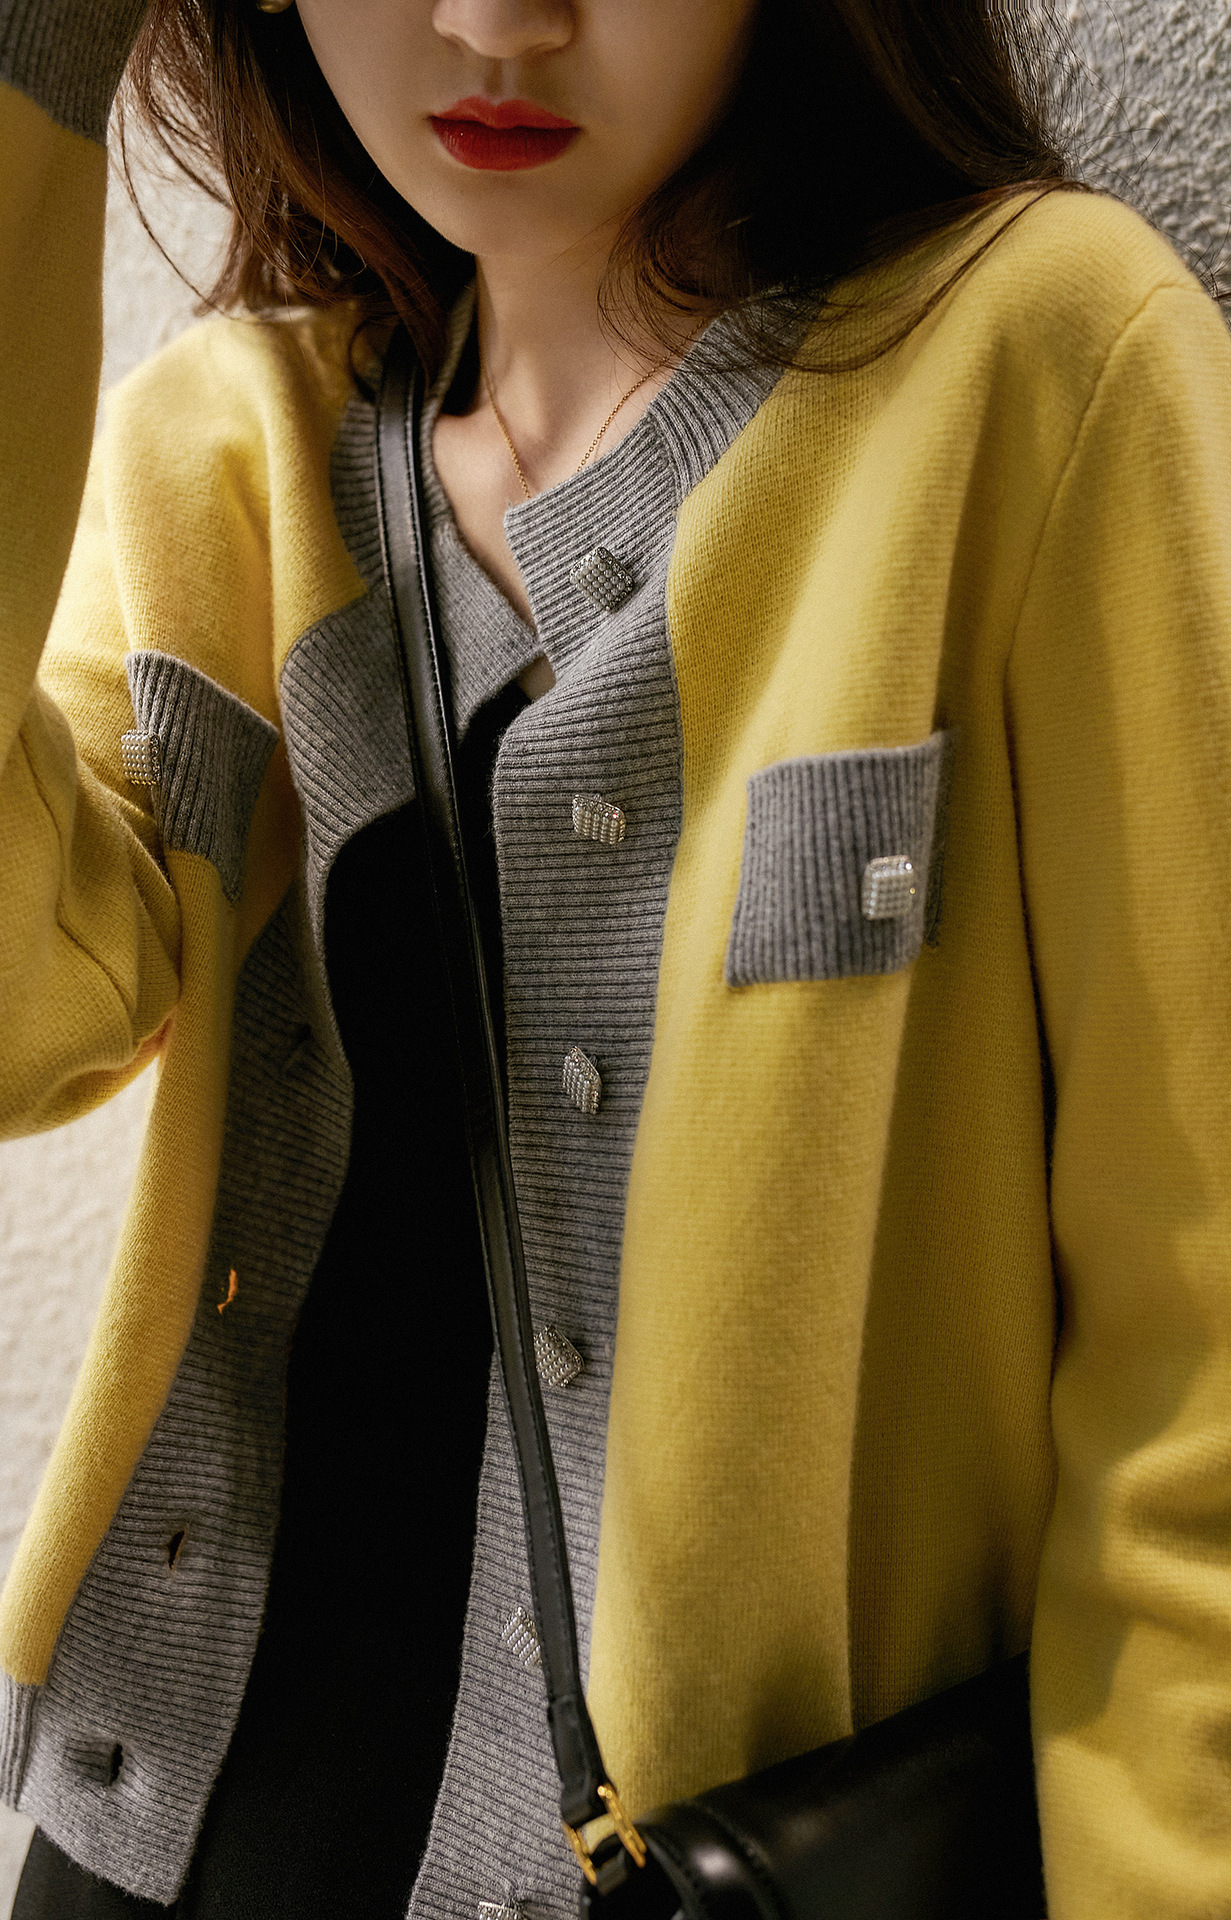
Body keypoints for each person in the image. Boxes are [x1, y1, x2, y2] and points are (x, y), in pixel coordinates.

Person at [2, 0, 1230, 1914]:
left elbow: (1198, 1363)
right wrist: (28, 97)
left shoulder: (1037, 371)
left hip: (703, 1872)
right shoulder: (222, 464)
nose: (497, 22)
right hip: (160, 1851)